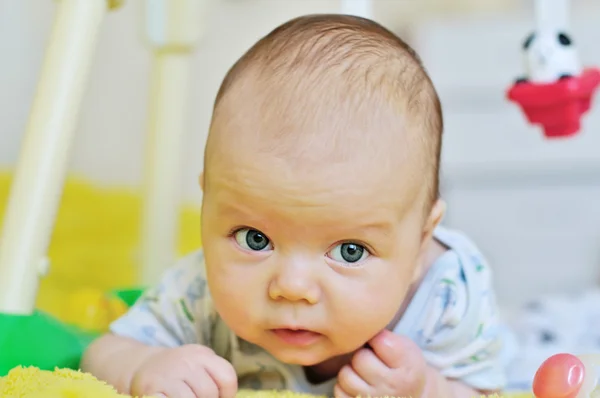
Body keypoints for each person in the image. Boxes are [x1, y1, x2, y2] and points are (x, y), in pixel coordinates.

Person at [81, 14, 516, 398]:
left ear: (422, 241)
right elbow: (101, 353)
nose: (292, 286)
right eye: (255, 239)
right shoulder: (199, 291)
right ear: (207, 207)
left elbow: (489, 389)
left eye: (350, 251)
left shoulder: (447, 297)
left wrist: (426, 388)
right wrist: (143, 367)